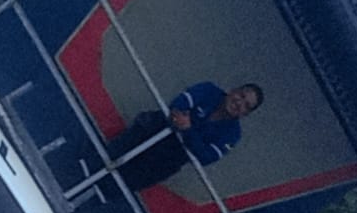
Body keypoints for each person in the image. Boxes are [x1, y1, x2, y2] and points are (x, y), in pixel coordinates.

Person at [109, 81, 265, 191]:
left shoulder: (233, 134)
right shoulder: (209, 90)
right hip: (151, 131)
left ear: (246, 114)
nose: (239, 103)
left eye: (246, 106)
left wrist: (188, 130)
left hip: (166, 160)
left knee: (117, 188)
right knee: (106, 157)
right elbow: (179, 104)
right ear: (233, 90)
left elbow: (206, 157)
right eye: (241, 96)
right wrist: (186, 129)